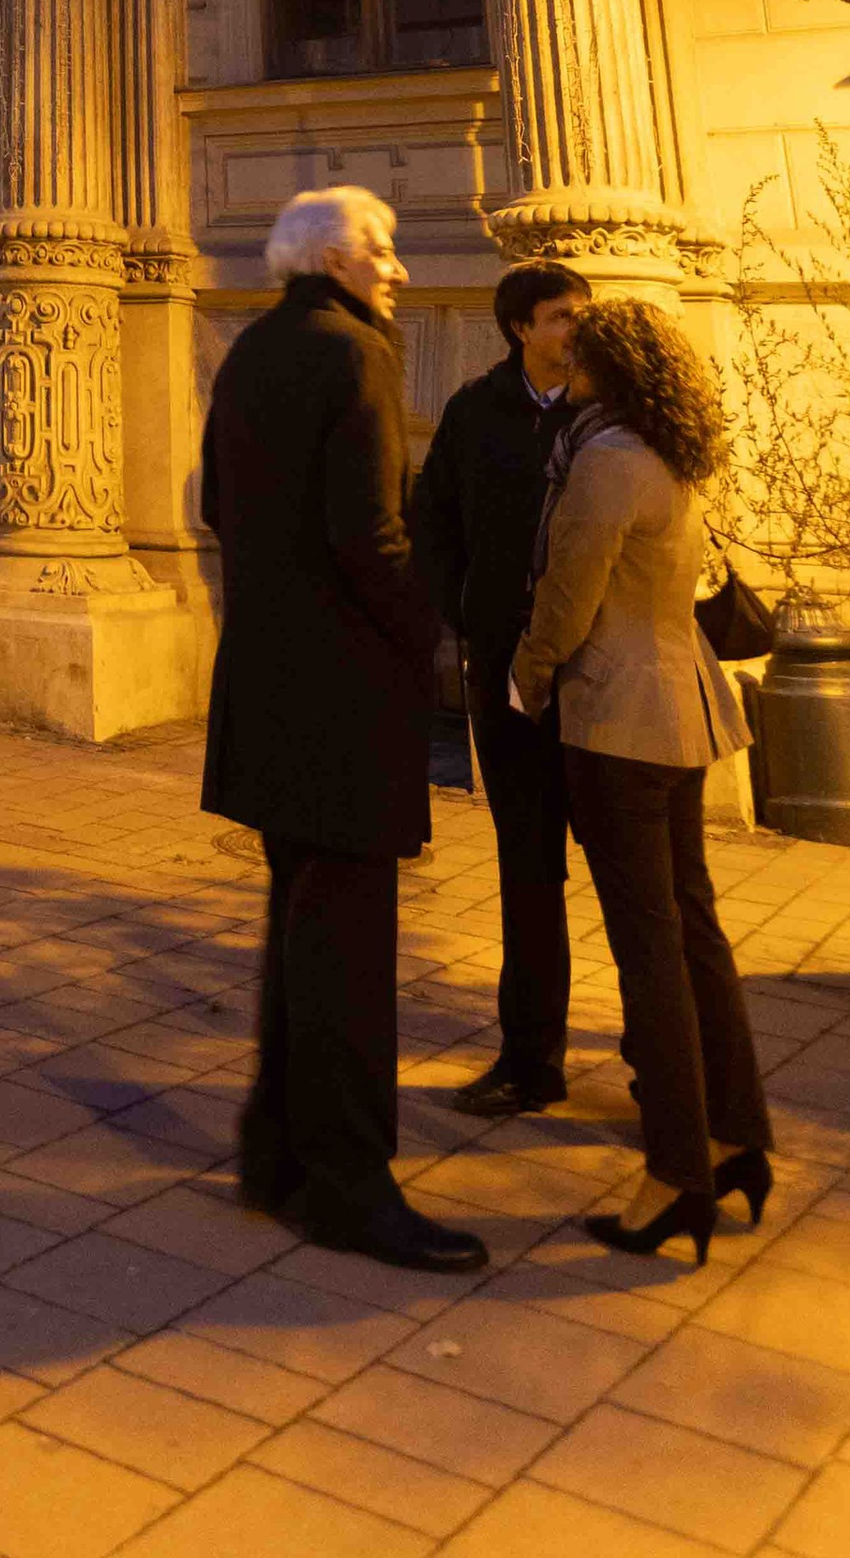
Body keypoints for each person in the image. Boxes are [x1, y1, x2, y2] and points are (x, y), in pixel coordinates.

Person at [201, 184, 485, 1278]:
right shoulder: (352, 353)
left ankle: (273, 1153)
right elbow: (371, 532)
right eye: (384, 250)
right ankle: (348, 1184)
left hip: (266, 687)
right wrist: (430, 633)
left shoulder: (250, 350)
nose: (400, 270)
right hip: (340, 694)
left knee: (301, 932)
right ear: (332, 258)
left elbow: (219, 511)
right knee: (350, 952)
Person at [511, 295, 774, 1264]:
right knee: (692, 927)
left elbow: (568, 598)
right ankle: (736, 1136)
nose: (564, 364)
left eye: (577, 353)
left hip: (618, 717)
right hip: (678, 707)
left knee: (649, 946)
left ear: (604, 368)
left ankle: (674, 1174)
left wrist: (526, 679)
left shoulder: (605, 459)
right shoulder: (667, 449)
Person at [411, 261, 589, 1119]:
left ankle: (660, 1059)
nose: (576, 329)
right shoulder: (476, 411)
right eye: (561, 316)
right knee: (528, 870)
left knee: (634, 875)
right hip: (506, 670)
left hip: (596, 675)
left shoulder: (607, 413)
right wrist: (467, 614)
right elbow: (432, 517)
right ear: (521, 328)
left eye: (583, 314)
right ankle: (531, 1059)